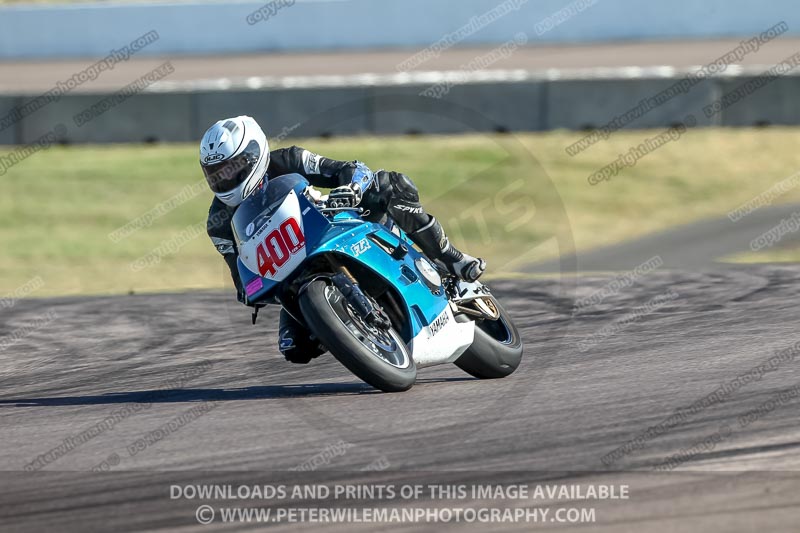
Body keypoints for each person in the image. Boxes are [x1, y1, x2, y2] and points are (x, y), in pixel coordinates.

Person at [201, 115, 484, 363]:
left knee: (390, 185)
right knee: (295, 349)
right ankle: (347, 328)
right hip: (291, 275)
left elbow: (351, 168)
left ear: (254, 154)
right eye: (216, 174)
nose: (224, 179)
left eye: (232, 167)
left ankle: (451, 258)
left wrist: (351, 188)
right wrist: (249, 290)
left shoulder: (289, 160)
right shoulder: (218, 222)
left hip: (333, 225)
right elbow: (240, 277)